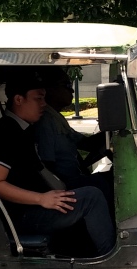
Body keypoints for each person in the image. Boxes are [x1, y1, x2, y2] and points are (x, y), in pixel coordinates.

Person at [0, 72, 115, 257]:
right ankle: (110, 256)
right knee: (92, 196)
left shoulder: (24, 130)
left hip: (39, 202)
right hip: (24, 213)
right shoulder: (7, 133)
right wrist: (41, 199)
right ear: (19, 99)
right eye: (38, 99)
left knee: (97, 185)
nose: (43, 104)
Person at [34, 69, 114, 208]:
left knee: (110, 178)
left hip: (76, 178)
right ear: (50, 89)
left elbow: (85, 143)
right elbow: (46, 165)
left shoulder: (56, 117)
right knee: (105, 183)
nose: (71, 91)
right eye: (66, 85)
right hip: (65, 185)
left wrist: (111, 130)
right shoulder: (45, 121)